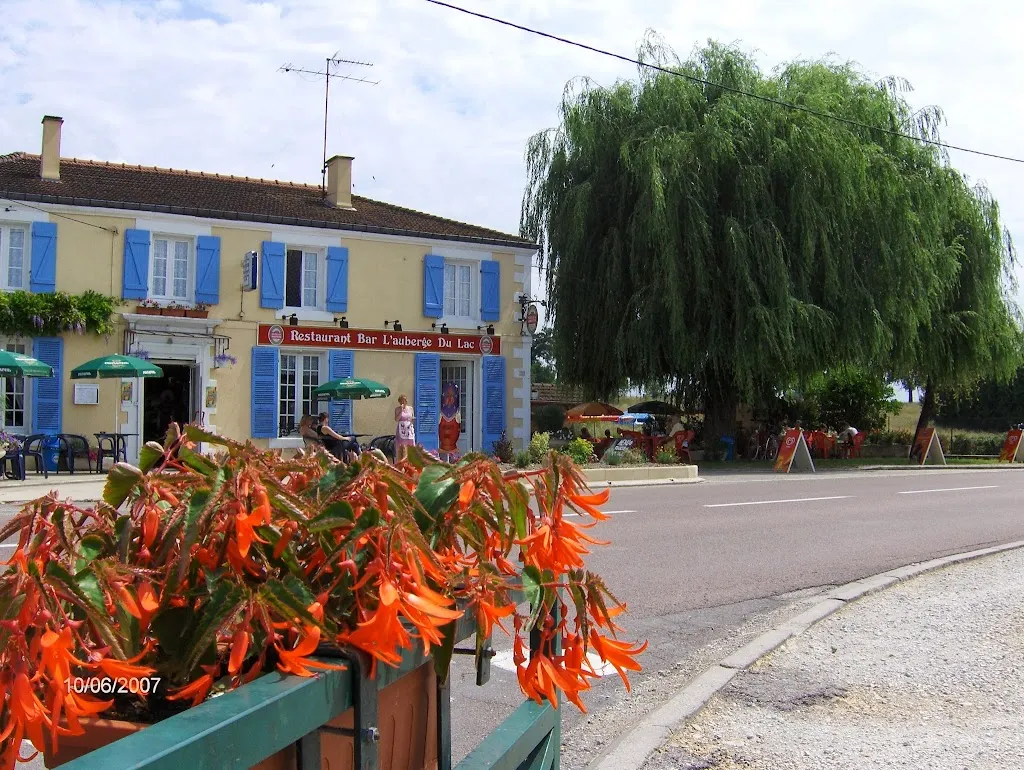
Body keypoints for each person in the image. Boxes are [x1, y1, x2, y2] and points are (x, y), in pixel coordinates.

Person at [394, 395, 415, 462]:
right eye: (402, 400)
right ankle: (401, 461)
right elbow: (396, 419)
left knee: (410, 445)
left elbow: (412, 417)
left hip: (409, 429)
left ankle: (410, 461)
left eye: (405, 400)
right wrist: (401, 411)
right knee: (402, 446)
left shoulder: (410, 408)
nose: (404, 402)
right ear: (399, 401)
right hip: (401, 429)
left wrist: (412, 420)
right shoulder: (397, 409)